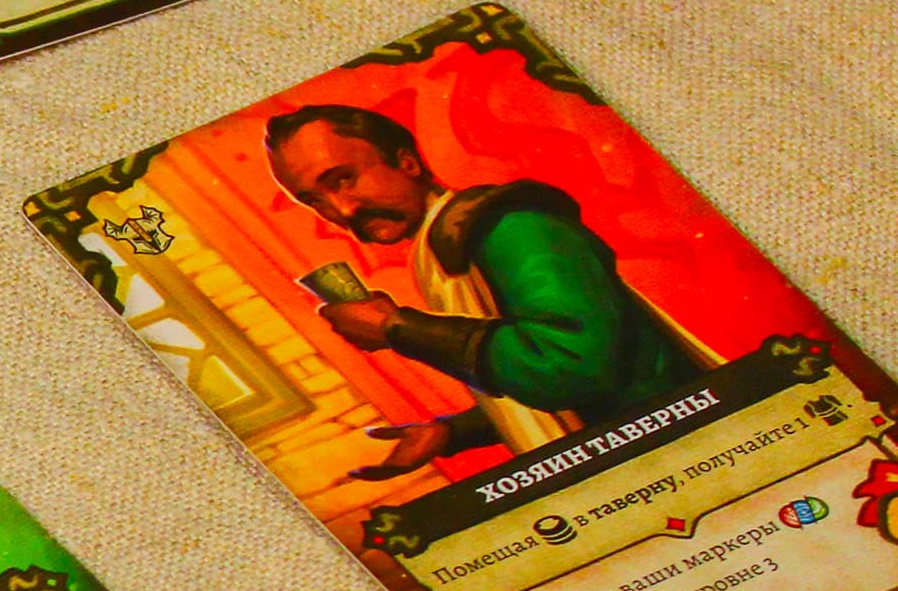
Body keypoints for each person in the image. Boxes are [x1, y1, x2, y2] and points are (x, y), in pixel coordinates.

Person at [264, 103, 711, 474]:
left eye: (343, 179)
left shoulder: (509, 227)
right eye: (315, 200)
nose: (341, 209)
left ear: (407, 162)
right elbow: (541, 384)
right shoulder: (443, 248)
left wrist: (398, 328)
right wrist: (451, 433)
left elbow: (575, 366)